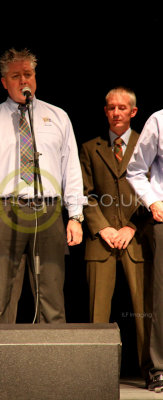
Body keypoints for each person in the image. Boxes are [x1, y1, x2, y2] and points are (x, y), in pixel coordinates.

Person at [0, 48, 86, 377]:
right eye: (17, 76)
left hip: (47, 211)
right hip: (4, 210)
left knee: (51, 290)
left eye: (28, 75)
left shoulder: (57, 116)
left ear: (36, 78)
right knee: (0, 293)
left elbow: (70, 169)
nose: (24, 81)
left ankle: (55, 367)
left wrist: (75, 215)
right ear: (5, 82)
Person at [79, 87, 153, 379]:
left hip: (137, 237)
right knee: (98, 310)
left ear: (133, 112)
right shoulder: (90, 147)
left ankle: (152, 370)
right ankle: (97, 373)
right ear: (105, 111)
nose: (116, 112)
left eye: (122, 108)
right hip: (102, 240)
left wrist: (131, 226)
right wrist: (104, 227)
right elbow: (84, 195)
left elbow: (154, 190)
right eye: (111, 107)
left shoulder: (147, 145)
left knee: (143, 310)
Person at [127, 109, 163, 392]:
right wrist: (152, 201)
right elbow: (136, 169)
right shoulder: (160, 120)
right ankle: (160, 367)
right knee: (162, 295)